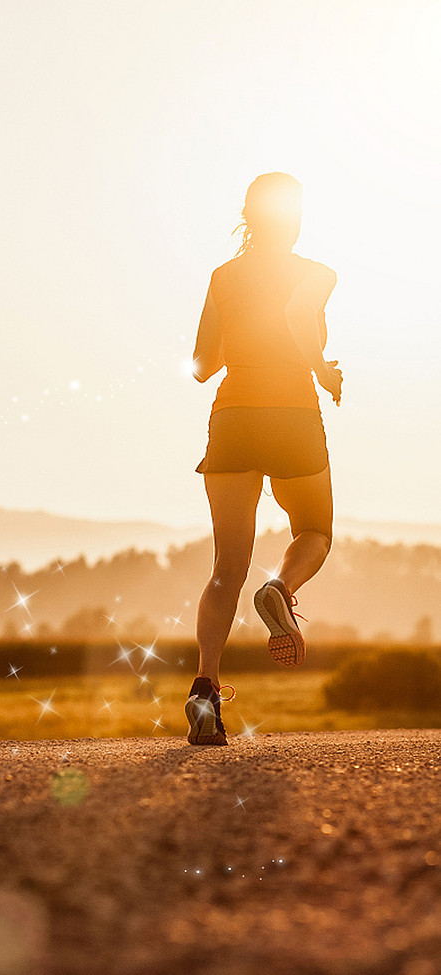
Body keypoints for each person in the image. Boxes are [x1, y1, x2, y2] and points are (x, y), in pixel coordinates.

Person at [184, 172, 342, 746]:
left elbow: (202, 365)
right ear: (295, 218)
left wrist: (235, 333)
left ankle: (205, 690)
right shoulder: (316, 272)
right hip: (293, 415)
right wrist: (322, 370)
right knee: (315, 530)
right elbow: (301, 321)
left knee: (226, 567)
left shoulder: (224, 277)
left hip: (232, 418)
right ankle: (281, 586)